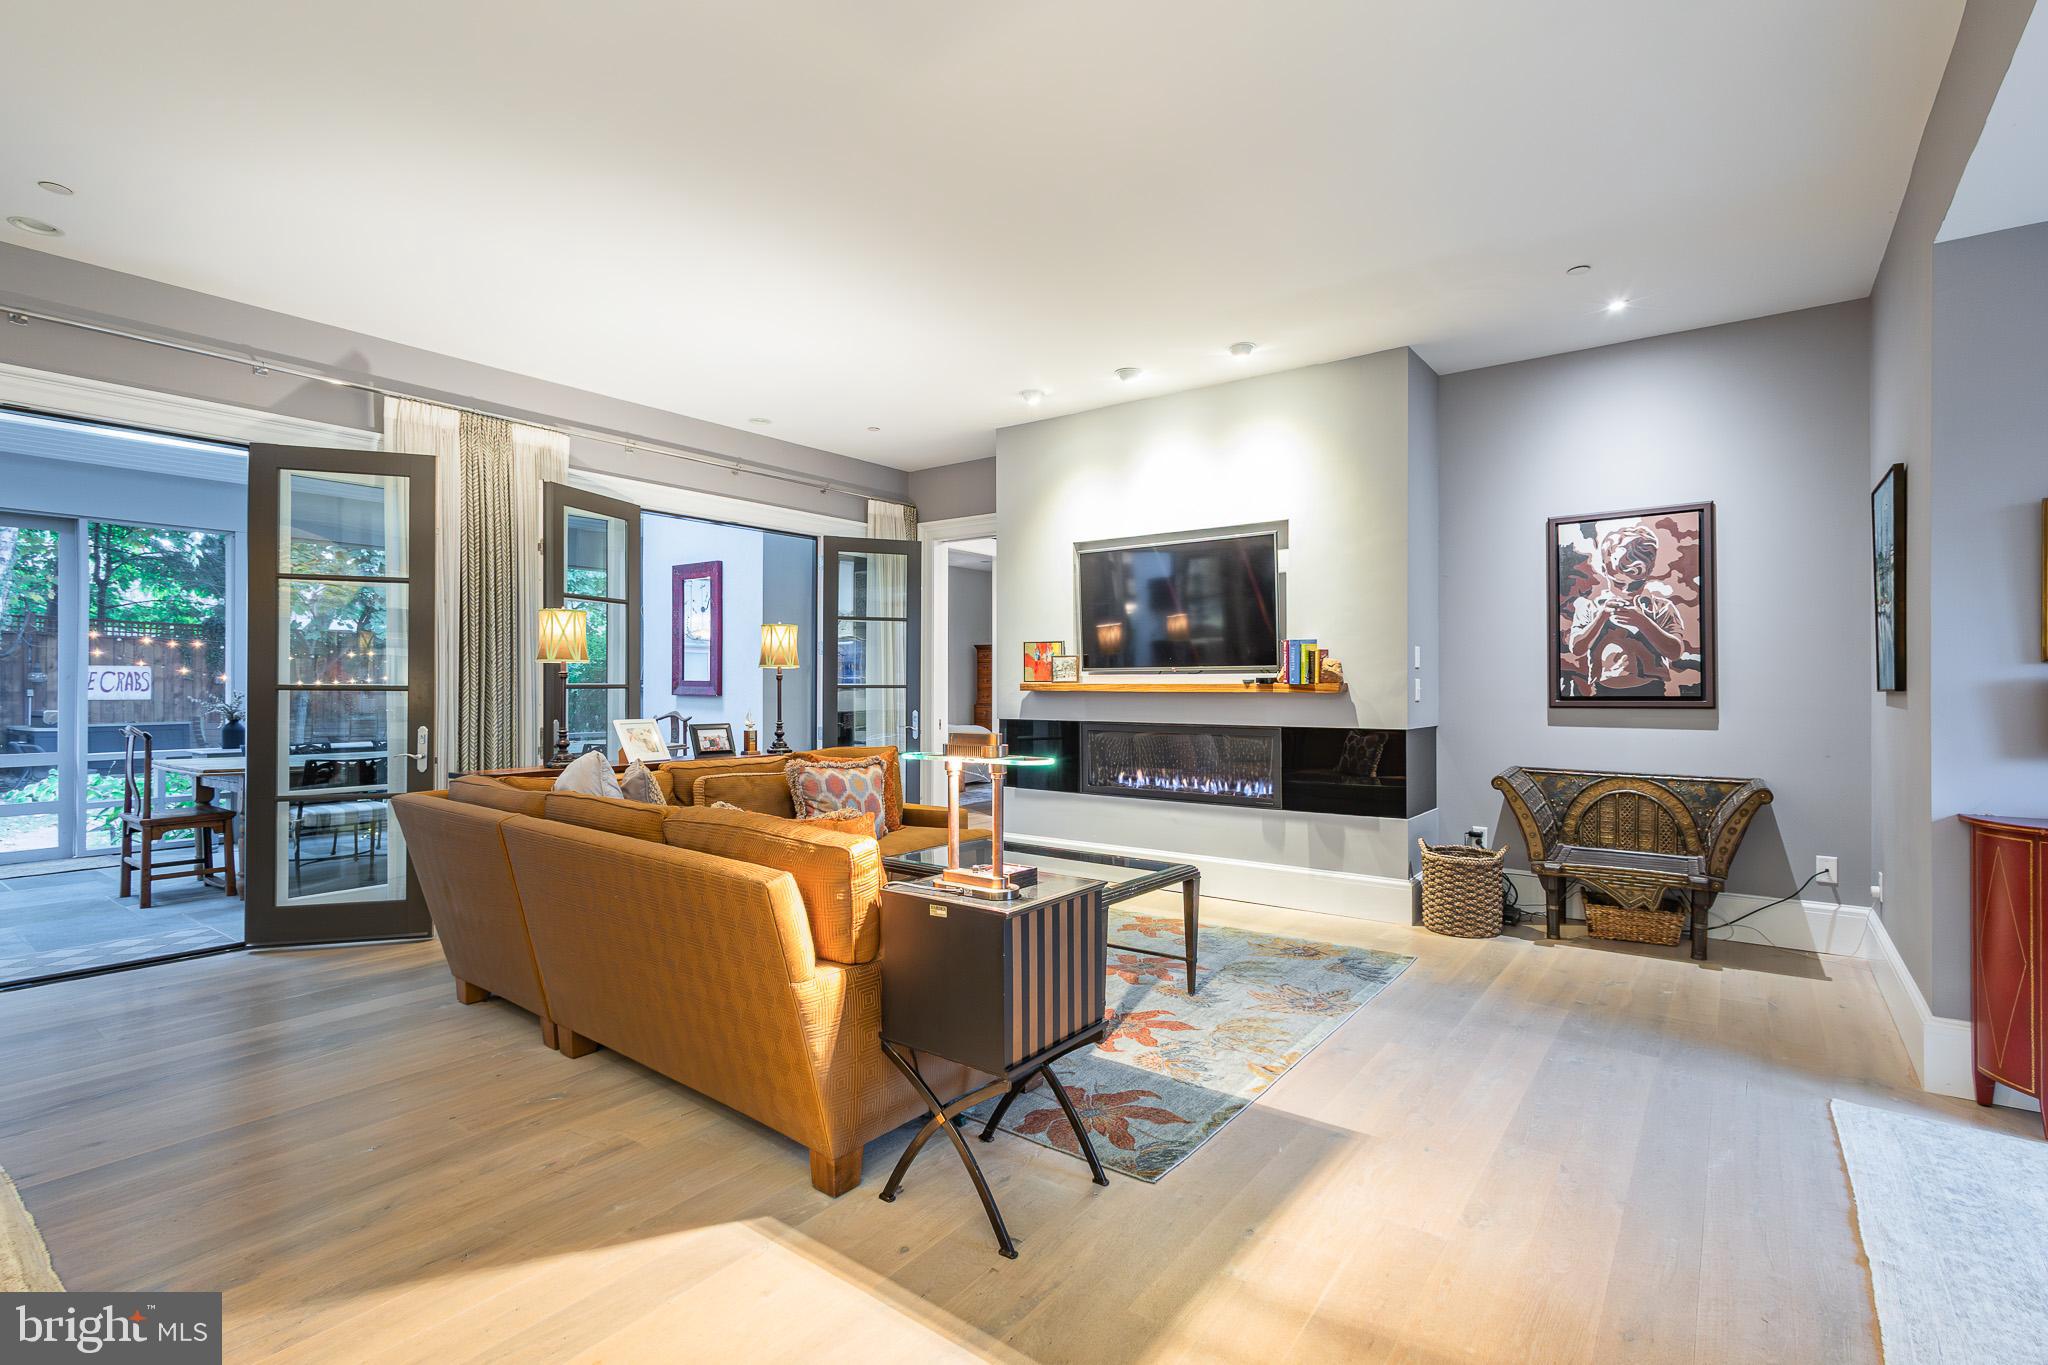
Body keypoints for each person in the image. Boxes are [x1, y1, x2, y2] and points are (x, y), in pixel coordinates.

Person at [1563, 522, 1688, 697]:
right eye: (1619, 583)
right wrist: (1602, 617)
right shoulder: (1590, 607)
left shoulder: (1660, 607)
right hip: (1602, 690)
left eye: (1635, 584)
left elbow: (1675, 652)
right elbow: (1577, 649)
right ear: (1605, 570)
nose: (1625, 591)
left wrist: (1642, 622)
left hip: (1653, 689)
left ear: (1649, 572)